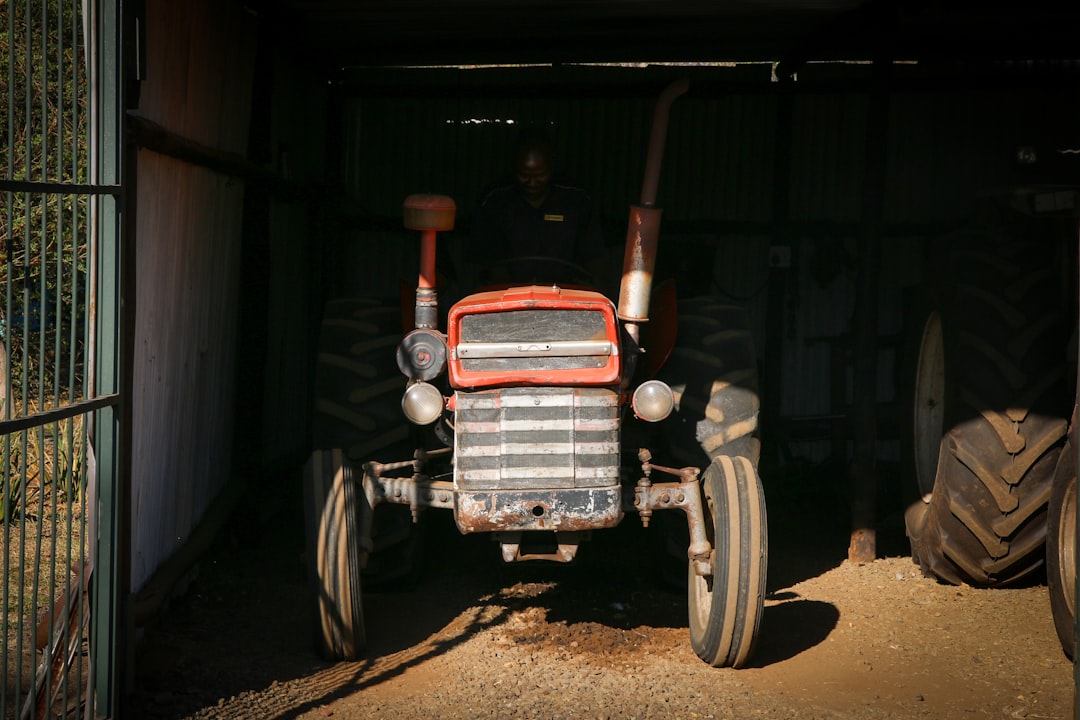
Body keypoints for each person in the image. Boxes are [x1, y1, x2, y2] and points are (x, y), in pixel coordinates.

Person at [470, 127, 607, 289]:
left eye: (540, 175)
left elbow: (594, 258)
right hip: (507, 298)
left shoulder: (576, 200)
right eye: (524, 175)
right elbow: (485, 259)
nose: (532, 183)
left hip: (567, 297)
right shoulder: (495, 202)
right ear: (514, 169)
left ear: (552, 168)